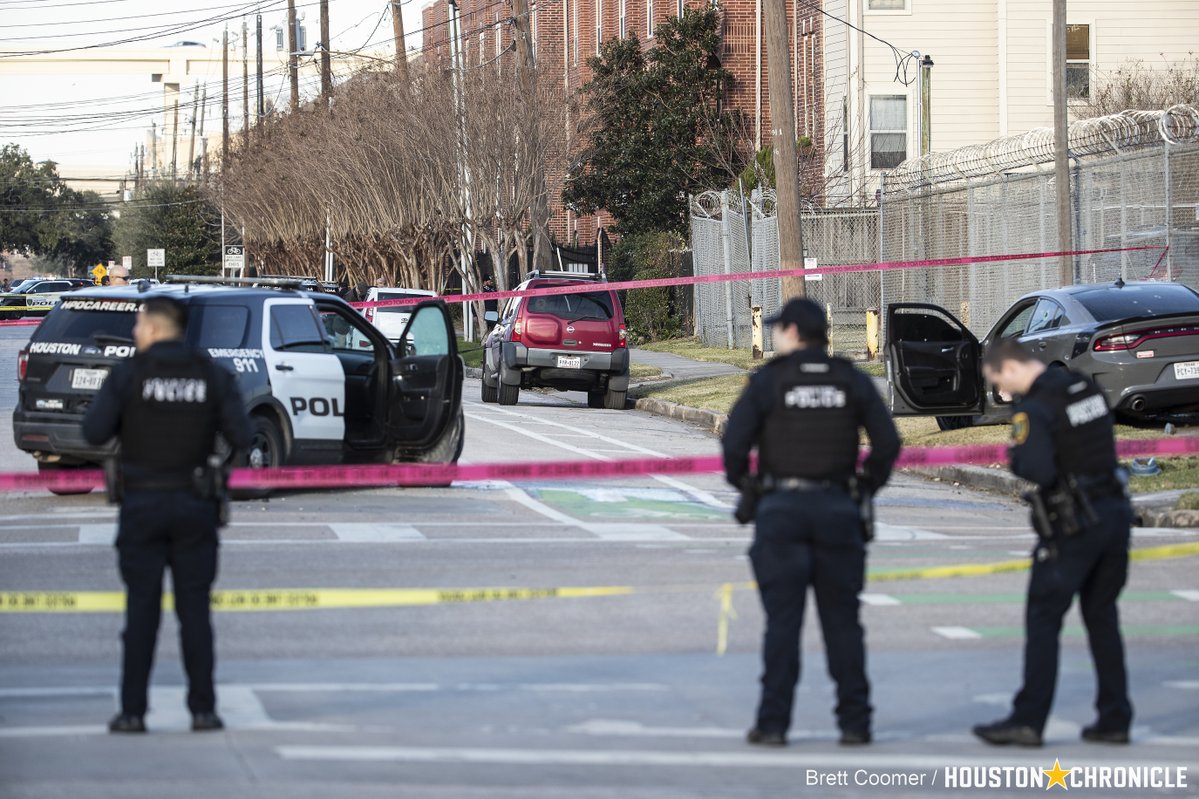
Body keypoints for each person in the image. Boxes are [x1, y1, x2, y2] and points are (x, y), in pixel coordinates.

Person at [722, 298, 901, 747]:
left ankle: (773, 723)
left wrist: (749, 485)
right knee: (843, 623)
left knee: (782, 624)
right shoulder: (850, 379)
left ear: (796, 332)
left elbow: (734, 445)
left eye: (781, 328)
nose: (776, 334)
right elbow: (887, 443)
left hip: (781, 511)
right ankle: (855, 722)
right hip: (839, 510)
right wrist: (865, 486)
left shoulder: (769, 381)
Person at [82, 296, 253, 734]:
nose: (136, 333)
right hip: (196, 503)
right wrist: (216, 469)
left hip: (142, 504)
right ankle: (203, 710)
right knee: (195, 613)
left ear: (155, 328)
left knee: (141, 612)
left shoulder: (129, 374)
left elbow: (93, 432)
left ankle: (133, 712)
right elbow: (243, 436)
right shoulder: (211, 374)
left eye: (138, 325)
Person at [973, 339, 1133, 748]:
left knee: (1043, 618)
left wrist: (1016, 454)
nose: (1002, 392)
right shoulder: (1083, 387)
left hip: (1074, 523)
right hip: (1114, 514)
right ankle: (1114, 718)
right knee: (1102, 618)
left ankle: (1028, 720)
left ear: (1009, 367)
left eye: (998, 382)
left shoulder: (1035, 407)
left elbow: (1039, 469)